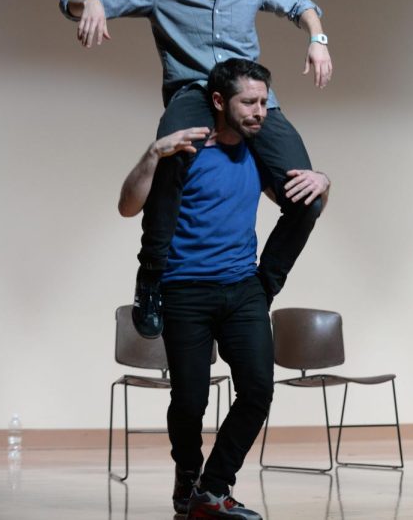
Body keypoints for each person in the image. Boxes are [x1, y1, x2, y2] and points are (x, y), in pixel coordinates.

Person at [61, 0, 331, 339]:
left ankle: (263, 286)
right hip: (195, 90)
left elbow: (301, 4)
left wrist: (317, 39)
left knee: (309, 196)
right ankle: (151, 279)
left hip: (247, 93)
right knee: (170, 158)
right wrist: (88, 3)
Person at [120, 59, 325, 519]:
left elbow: (296, 202)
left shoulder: (258, 153)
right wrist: (153, 154)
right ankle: (188, 478)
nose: (259, 112)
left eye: (264, 102)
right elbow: (127, 205)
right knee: (190, 400)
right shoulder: (185, 151)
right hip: (184, 289)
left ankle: (212, 490)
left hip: (243, 289)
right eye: (248, 102)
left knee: (257, 390)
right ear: (218, 102)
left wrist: (324, 180)